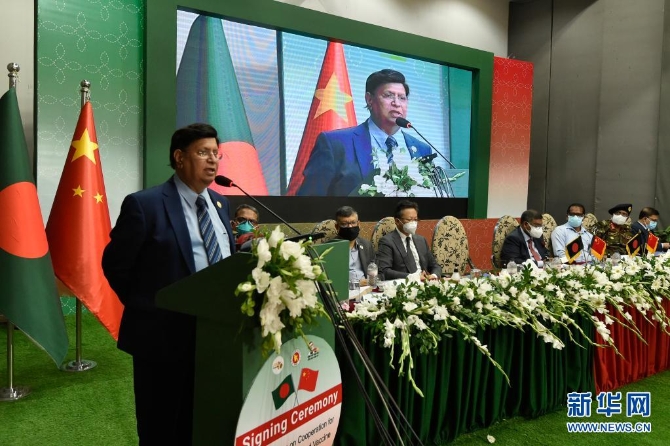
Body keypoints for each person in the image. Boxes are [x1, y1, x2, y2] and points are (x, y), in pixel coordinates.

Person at [102, 123, 235, 445]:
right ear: (179, 157)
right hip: (162, 341)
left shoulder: (220, 204)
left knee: (203, 422)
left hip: (215, 336)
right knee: (162, 428)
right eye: (203, 152)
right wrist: (152, 307)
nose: (213, 160)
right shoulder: (145, 204)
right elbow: (116, 265)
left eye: (216, 153)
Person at [297, 69, 432, 196]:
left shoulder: (422, 149)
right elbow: (308, 201)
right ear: (369, 99)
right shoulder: (335, 144)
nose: (397, 103)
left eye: (402, 98)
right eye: (388, 96)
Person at [377, 200, 441, 280]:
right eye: (409, 220)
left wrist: (434, 275)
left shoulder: (421, 240)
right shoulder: (387, 241)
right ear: (397, 221)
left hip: (425, 282)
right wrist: (412, 277)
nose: (413, 223)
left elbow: (435, 266)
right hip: (404, 284)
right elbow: (384, 271)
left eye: (415, 219)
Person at [334, 206, 375, 282]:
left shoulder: (366, 245)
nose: (350, 227)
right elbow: (332, 281)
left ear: (358, 224)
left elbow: (376, 269)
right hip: (347, 288)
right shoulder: (331, 249)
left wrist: (372, 281)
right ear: (337, 227)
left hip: (367, 286)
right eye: (344, 224)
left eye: (353, 223)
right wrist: (356, 284)